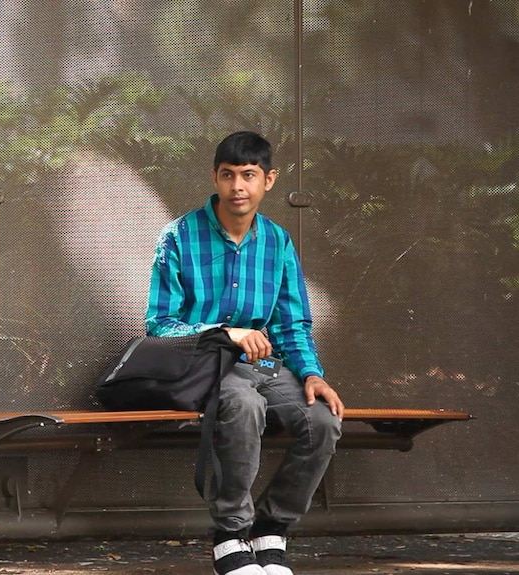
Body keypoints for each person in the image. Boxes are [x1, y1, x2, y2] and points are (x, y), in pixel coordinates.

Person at [145, 131, 344, 575]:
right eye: (229, 175)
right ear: (215, 177)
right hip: (206, 367)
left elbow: (292, 324)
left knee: (322, 420)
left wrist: (312, 374)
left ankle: (271, 527)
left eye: (249, 176)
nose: (238, 187)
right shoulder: (178, 236)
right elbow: (159, 324)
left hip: (267, 367)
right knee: (243, 405)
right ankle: (230, 534)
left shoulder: (278, 243)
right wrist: (225, 333)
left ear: (268, 180)